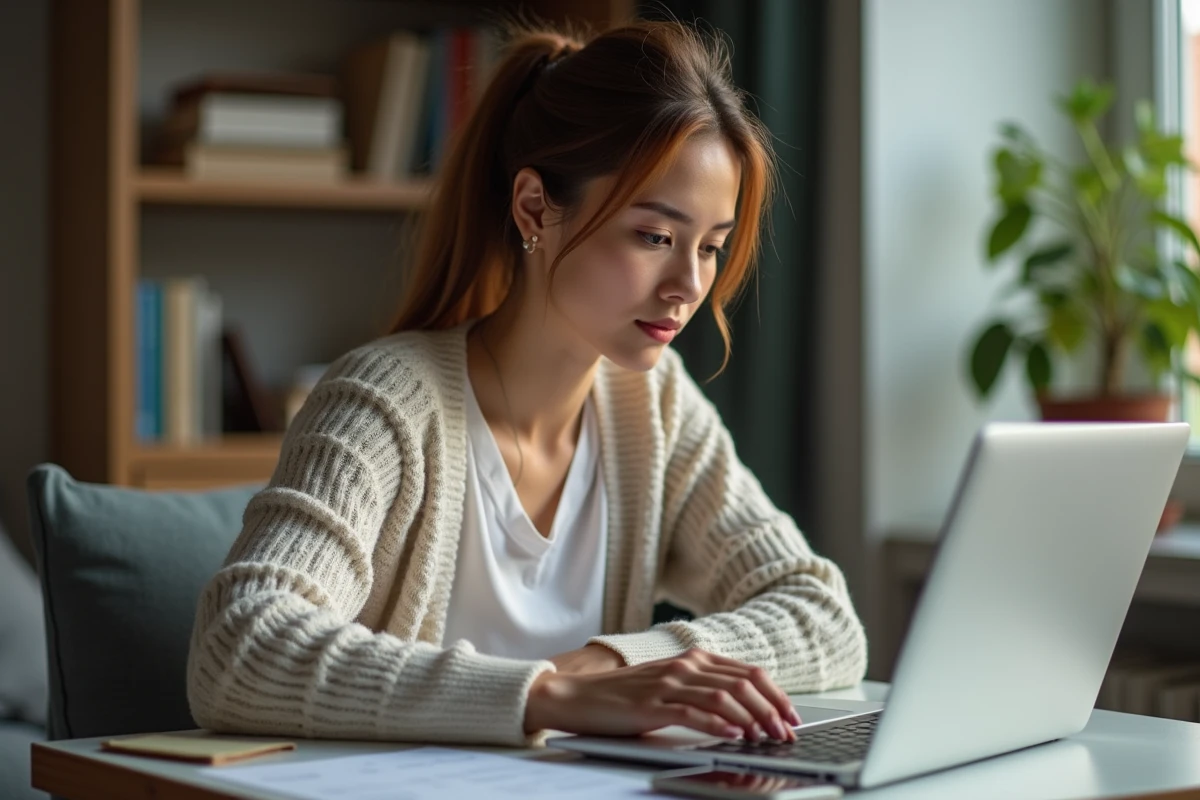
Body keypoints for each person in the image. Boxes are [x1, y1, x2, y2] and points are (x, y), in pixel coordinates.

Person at [186, 17, 867, 749]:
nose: (688, 286)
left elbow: (822, 614)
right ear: (535, 207)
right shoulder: (383, 405)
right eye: (655, 237)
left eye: (711, 247)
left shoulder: (656, 406)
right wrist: (550, 696)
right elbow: (237, 647)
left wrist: (614, 665)